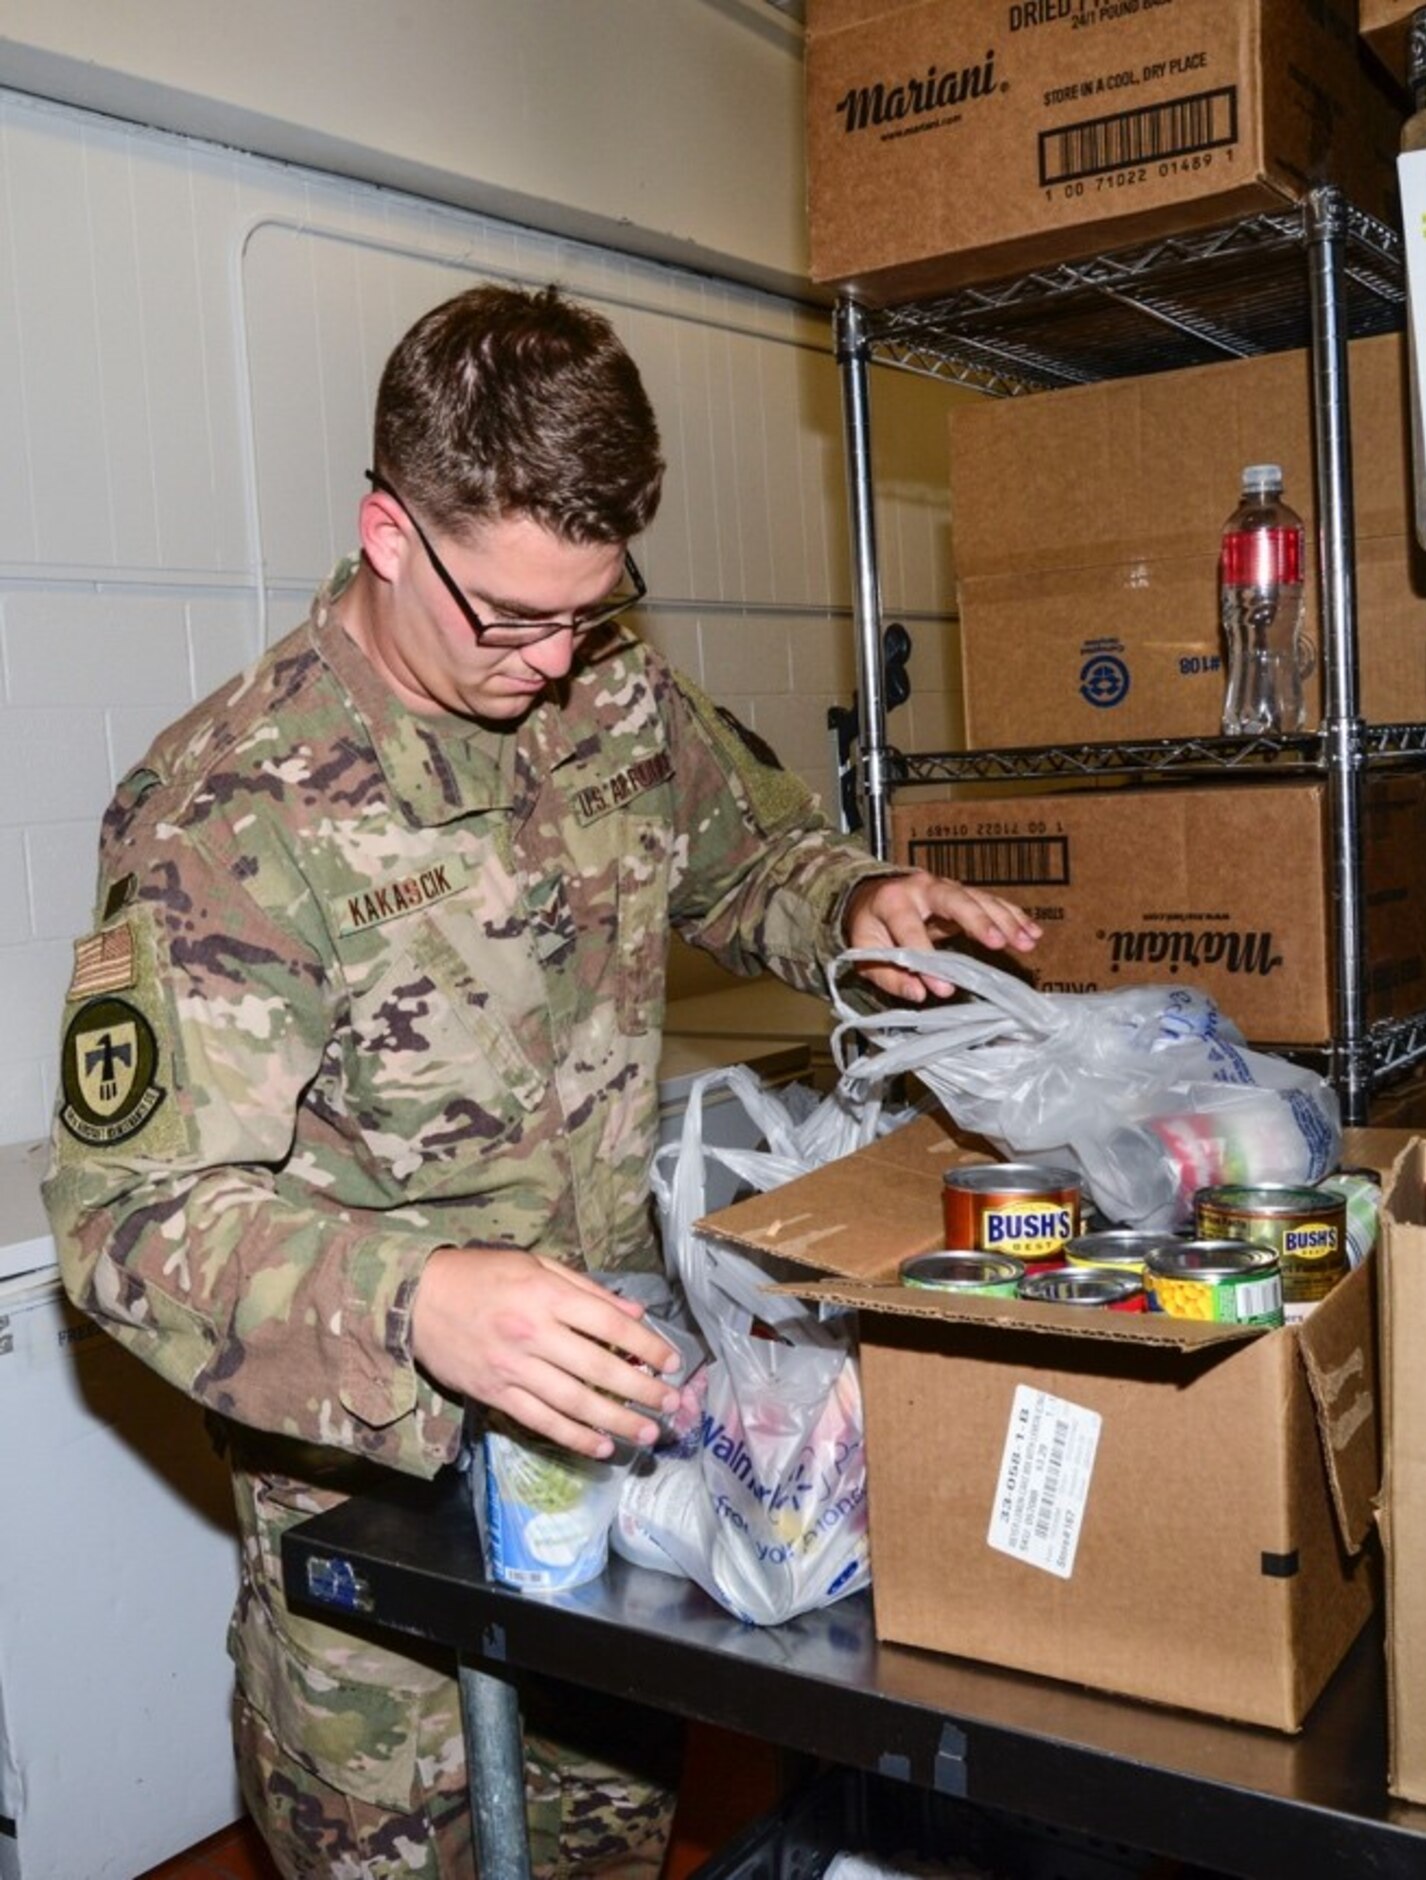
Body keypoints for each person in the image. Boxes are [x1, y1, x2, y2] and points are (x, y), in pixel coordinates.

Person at [42, 282, 1039, 1878]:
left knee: (601, 1843)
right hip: (381, 1518)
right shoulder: (231, 813)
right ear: (387, 533)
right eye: (509, 617)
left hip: (604, 1455)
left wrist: (851, 907)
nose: (554, 656)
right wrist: (416, 1300)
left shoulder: (611, 686)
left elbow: (747, 856)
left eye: (592, 605)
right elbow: (125, 1219)